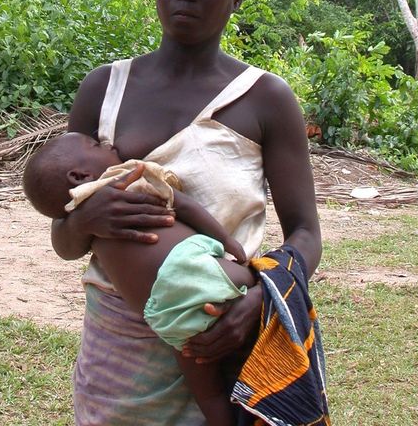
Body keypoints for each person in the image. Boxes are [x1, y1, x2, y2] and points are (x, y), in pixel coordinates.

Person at [51, 0, 322, 426]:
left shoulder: (265, 99)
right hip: (117, 358)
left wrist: (264, 298)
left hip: (222, 329)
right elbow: (65, 241)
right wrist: (87, 219)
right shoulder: (103, 89)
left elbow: (306, 233)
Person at [23, 131, 255, 425]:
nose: (108, 143)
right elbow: (182, 204)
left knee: (207, 392)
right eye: (96, 144)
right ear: (80, 175)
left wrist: (80, 223)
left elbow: (64, 233)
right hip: (200, 273)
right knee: (252, 282)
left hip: (167, 316)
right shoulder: (125, 177)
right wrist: (228, 242)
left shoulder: (80, 213)